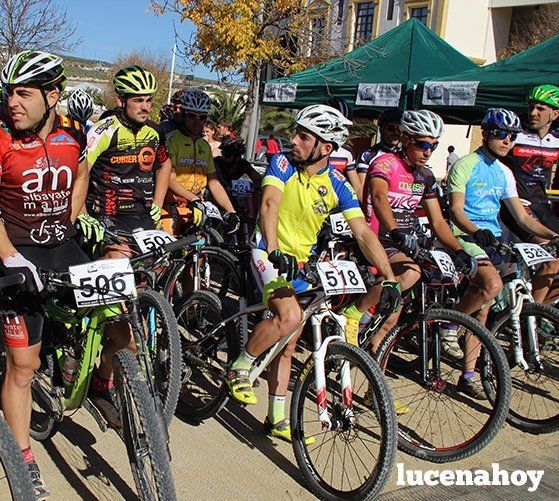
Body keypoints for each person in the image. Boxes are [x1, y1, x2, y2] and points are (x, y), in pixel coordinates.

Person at [225, 104, 401, 441]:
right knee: (288, 315)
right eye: (297, 132)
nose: (293, 140)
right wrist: (274, 249)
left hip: (302, 263)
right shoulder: (283, 163)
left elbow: (363, 232)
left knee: (289, 345)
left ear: (326, 148)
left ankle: (276, 418)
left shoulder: (336, 182)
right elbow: (269, 204)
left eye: (304, 136)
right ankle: (241, 366)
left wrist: (389, 277)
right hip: (268, 252)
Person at [0, 50, 92, 499]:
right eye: (8, 93)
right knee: (24, 365)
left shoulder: (74, 133)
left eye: (23, 93)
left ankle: (105, 382)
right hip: (17, 250)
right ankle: (23, 455)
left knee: (121, 318)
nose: (12, 102)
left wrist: (74, 215)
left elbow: (81, 172)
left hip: (63, 247)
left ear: (52, 95)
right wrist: (10, 257)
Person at [364, 110, 500, 398]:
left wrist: (460, 250)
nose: (428, 152)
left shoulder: (425, 176)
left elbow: (438, 222)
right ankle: (358, 312)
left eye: (434, 146)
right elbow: (378, 199)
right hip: (380, 239)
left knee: (395, 320)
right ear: (404, 139)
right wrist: (395, 230)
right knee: (410, 273)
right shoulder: (384, 164)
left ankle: (374, 388)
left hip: (410, 244)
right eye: (422, 145)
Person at [84, 65, 172, 423]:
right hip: (106, 219)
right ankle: (97, 353)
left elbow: (165, 168)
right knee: (117, 301)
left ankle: (118, 362)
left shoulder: (153, 134)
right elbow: (79, 170)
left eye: (149, 100)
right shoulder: (105, 130)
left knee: (160, 270)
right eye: (138, 100)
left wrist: (158, 202)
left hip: (140, 218)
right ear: (121, 100)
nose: (145, 106)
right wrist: (81, 214)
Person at [448, 108, 559, 316]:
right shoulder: (465, 165)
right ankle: (448, 325)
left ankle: (477, 346)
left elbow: (523, 218)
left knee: (484, 312)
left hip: (494, 240)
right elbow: (455, 209)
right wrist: (475, 231)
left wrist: (553, 236)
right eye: (500, 134)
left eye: (512, 136)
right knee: (492, 285)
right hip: (465, 236)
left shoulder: (504, 172)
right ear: (485, 133)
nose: (507, 141)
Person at [163, 87, 240, 236]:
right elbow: (169, 178)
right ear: (184, 115)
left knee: (201, 253)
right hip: (173, 206)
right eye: (192, 116)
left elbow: (213, 182)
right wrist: (192, 198)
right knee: (167, 255)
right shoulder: (172, 140)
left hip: (198, 208)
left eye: (202, 117)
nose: (197, 121)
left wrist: (231, 211)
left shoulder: (204, 146)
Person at [501, 85, 559, 238]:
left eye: (540, 109)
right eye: (531, 107)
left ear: (555, 114)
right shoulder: (515, 135)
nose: (533, 113)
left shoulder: (556, 140)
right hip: (512, 204)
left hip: (540, 204)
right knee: (544, 245)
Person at [351, 108, 403, 194]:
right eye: (391, 128)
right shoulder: (367, 155)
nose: (396, 132)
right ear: (381, 129)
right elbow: (361, 189)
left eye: (399, 129)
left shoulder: (405, 156)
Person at [214, 137, 262, 225]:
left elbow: (259, 180)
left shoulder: (243, 164)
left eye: (227, 155)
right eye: (222, 154)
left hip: (234, 197)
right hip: (216, 196)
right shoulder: (216, 162)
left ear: (237, 157)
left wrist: (251, 187)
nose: (223, 157)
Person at [323, 96, 362, 195]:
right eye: (336, 126)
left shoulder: (347, 152)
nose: (340, 130)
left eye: (344, 126)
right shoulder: (310, 147)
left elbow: (357, 187)